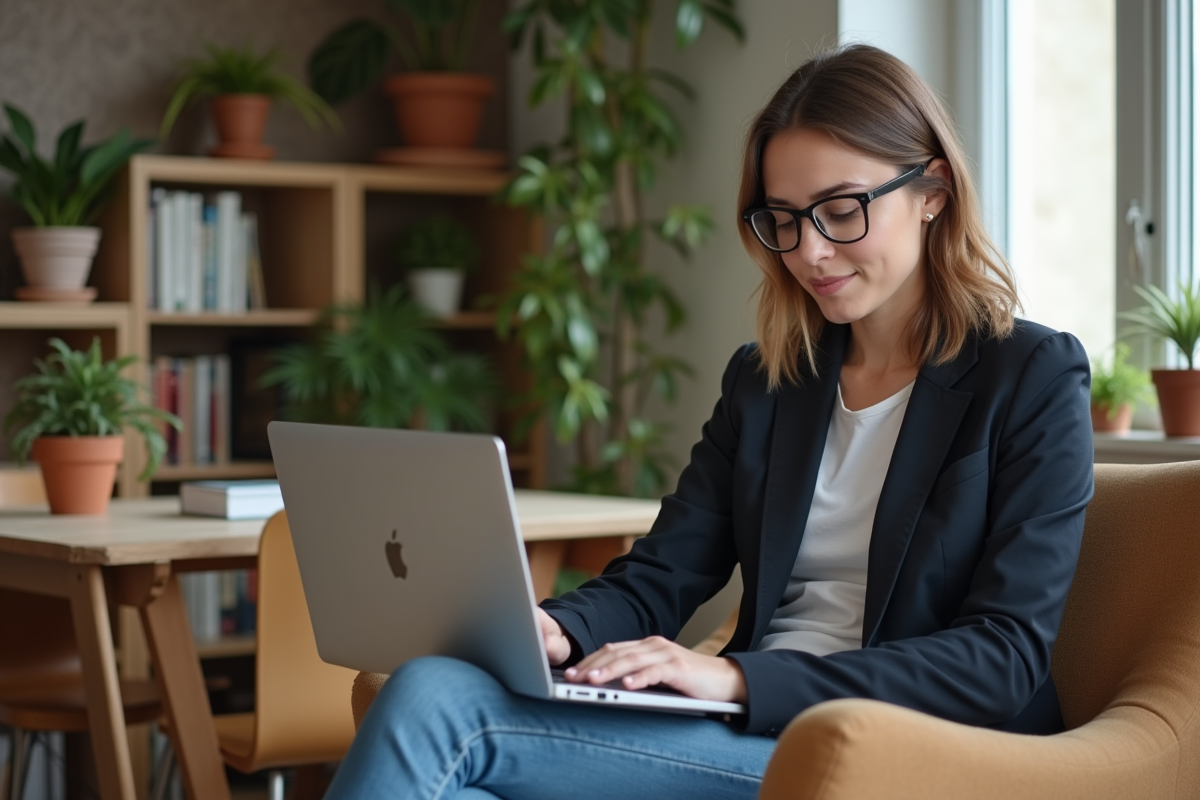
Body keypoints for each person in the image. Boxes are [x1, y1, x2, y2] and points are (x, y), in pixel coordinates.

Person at [326, 43, 1093, 799]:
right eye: (784, 219)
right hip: (746, 728)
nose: (810, 252)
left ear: (933, 190)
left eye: (840, 210)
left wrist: (734, 675)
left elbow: (1003, 655)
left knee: (437, 705)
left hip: (894, 748)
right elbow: (665, 570)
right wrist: (558, 629)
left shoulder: (1031, 376)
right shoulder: (767, 381)